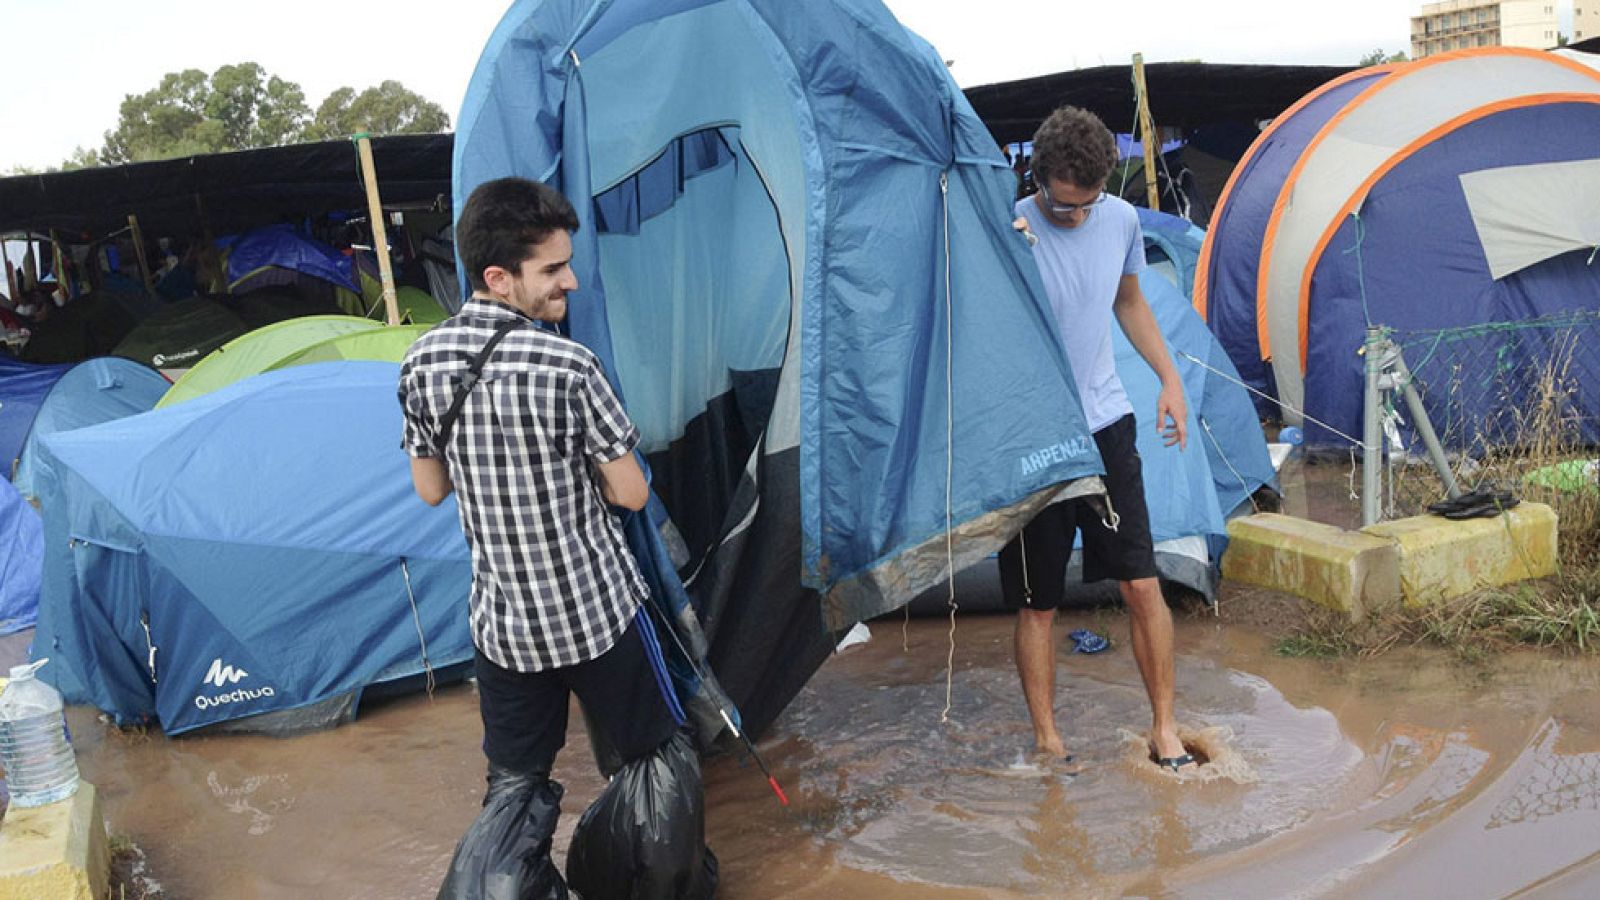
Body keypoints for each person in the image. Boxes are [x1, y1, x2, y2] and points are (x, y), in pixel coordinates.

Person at [398, 177, 683, 885]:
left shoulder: (421, 363)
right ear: (499, 278)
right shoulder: (568, 364)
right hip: (597, 617)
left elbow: (430, 489)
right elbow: (631, 491)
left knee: (514, 789)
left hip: (505, 629)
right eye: (553, 270)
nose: (571, 282)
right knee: (653, 760)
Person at [1002, 105, 1196, 773]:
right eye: (1063, 207)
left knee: (1143, 584)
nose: (1076, 218)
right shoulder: (1009, 225)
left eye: (1086, 205)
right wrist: (1013, 244)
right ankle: (1049, 738)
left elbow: (1130, 301)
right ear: (1039, 179)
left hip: (1108, 425)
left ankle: (1166, 729)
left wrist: (1170, 379)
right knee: (1038, 604)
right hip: (1036, 437)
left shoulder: (1120, 219)